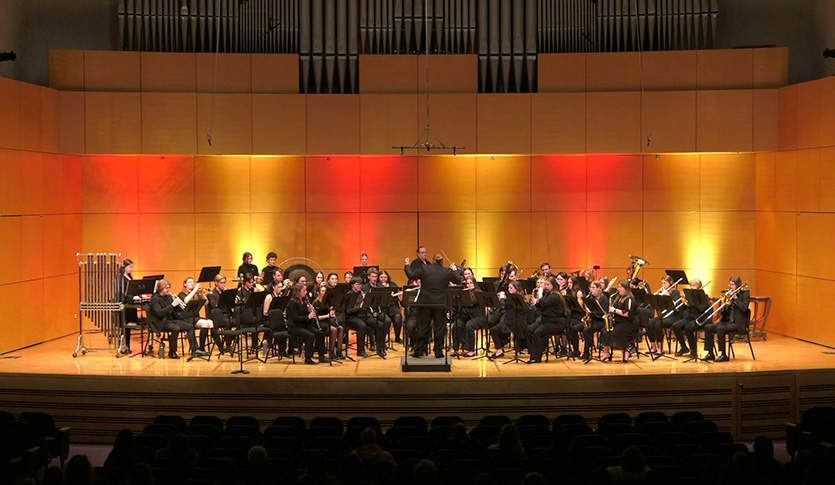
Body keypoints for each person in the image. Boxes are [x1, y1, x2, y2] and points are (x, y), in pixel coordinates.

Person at [404, 252, 462, 358]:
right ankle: (438, 351)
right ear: (442, 261)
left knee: (423, 327)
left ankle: (419, 350)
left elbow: (411, 275)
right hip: (440, 304)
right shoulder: (446, 271)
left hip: (425, 303)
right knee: (439, 327)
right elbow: (458, 280)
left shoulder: (425, 269)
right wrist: (455, 270)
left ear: (433, 260)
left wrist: (407, 265)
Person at [148, 279, 201, 359]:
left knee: (190, 326)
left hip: (170, 320)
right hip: (160, 321)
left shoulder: (168, 296)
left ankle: (195, 350)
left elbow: (173, 310)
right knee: (176, 328)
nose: (168, 290)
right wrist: (172, 305)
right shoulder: (155, 299)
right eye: (166, 288)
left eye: (169, 288)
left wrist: (178, 306)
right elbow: (159, 313)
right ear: (161, 288)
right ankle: (172, 351)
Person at [703, 275, 749, 362]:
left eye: (733, 285)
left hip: (737, 323)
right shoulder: (729, 294)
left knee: (720, 329)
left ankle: (723, 354)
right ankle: (710, 353)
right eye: (730, 284)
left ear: (738, 285)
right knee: (708, 327)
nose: (731, 287)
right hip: (727, 321)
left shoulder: (745, 294)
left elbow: (744, 308)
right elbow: (723, 313)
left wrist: (735, 298)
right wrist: (726, 304)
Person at [285, 283, 329, 364]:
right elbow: (295, 318)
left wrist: (309, 311)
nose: (306, 292)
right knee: (310, 336)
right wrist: (308, 317)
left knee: (320, 333)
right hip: (294, 326)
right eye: (304, 290)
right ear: (298, 292)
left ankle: (321, 356)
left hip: (303, 325)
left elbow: (304, 314)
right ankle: (307, 358)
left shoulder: (304, 301)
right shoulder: (292, 302)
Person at [527, 276, 566, 363]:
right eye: (545, 284)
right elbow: (540, 306)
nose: (545, 286)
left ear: (553, 285)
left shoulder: (555, 296)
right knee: (529, 329)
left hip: (556, 322)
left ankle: (537, 357)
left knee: (537, 333)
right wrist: (536, 302)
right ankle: (533, 353)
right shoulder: (548, 294)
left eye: (547, 285)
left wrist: (540, 295)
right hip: (546, 321)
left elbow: (544, 304)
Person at [671, 279, 709, 358]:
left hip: (700, 319)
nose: (692, 287)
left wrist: (694, 303)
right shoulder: (689, 297)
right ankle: (684, 347)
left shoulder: (704, 297)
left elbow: (703, 309)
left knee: (689, 327)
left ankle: (693, 350)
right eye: (691, 286)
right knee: (675, 326)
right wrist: (685, 304)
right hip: (690, 317)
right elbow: (686, 310)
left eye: (694, 286)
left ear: (699, 287)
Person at [600, 279, 636, 362]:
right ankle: (606, 352)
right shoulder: (619, 297)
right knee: (604, 331)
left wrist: (614, 310)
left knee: (615, 333)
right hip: (618, 322)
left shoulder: (630, 299)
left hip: (628, 324)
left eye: (620, 287)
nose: (618, 289)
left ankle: (625, 351)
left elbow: (627, 313)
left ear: (626, 288)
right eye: (618, 287)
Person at [646, 275, 683, 356]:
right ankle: (653, 346)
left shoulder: (675, 292)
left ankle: (660, 348)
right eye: (662, 283)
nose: (663, 285)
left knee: (658, 323)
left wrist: (667, 296)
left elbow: (676, 305)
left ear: (670, 283)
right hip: (664, 315)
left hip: (673, 316)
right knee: (649, 323)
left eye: (665, 283)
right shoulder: (662, 292)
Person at [455, 276, 487, 357]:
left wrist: (463, 296)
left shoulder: (478, 293)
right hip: (467, 317)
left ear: (474, 283)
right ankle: (456, 348)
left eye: (471, 283)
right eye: (467, 283)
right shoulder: (465, 293)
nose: (469, 285)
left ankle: (471, 350)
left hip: (478, 317)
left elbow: (471, 302)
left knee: (469, 325)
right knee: (456, 324)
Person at [114, 258, 139, 354]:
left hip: (130, 305)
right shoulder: (119, 278)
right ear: (124, 267)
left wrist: (139, 295)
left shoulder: (129, 276)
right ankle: (123, 346)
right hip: (124, 304)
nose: (131, 269)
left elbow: (132, 289)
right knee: (124, 327)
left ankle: (127, 346)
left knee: (128, 327)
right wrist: (132, 298)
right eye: (130, 267)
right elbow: (121, 293)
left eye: (132, 267)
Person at [580, 280, 609, 360]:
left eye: (593, 288)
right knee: (586, 329)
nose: (591, 290)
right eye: (590, 288)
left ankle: (587, 352)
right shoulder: (591, 297)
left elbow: (603, 314)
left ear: (598, 288)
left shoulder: (603, 298)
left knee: (587, 330)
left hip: (602, 322)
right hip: (595, 320)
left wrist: (592, 312)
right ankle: (587, 351)